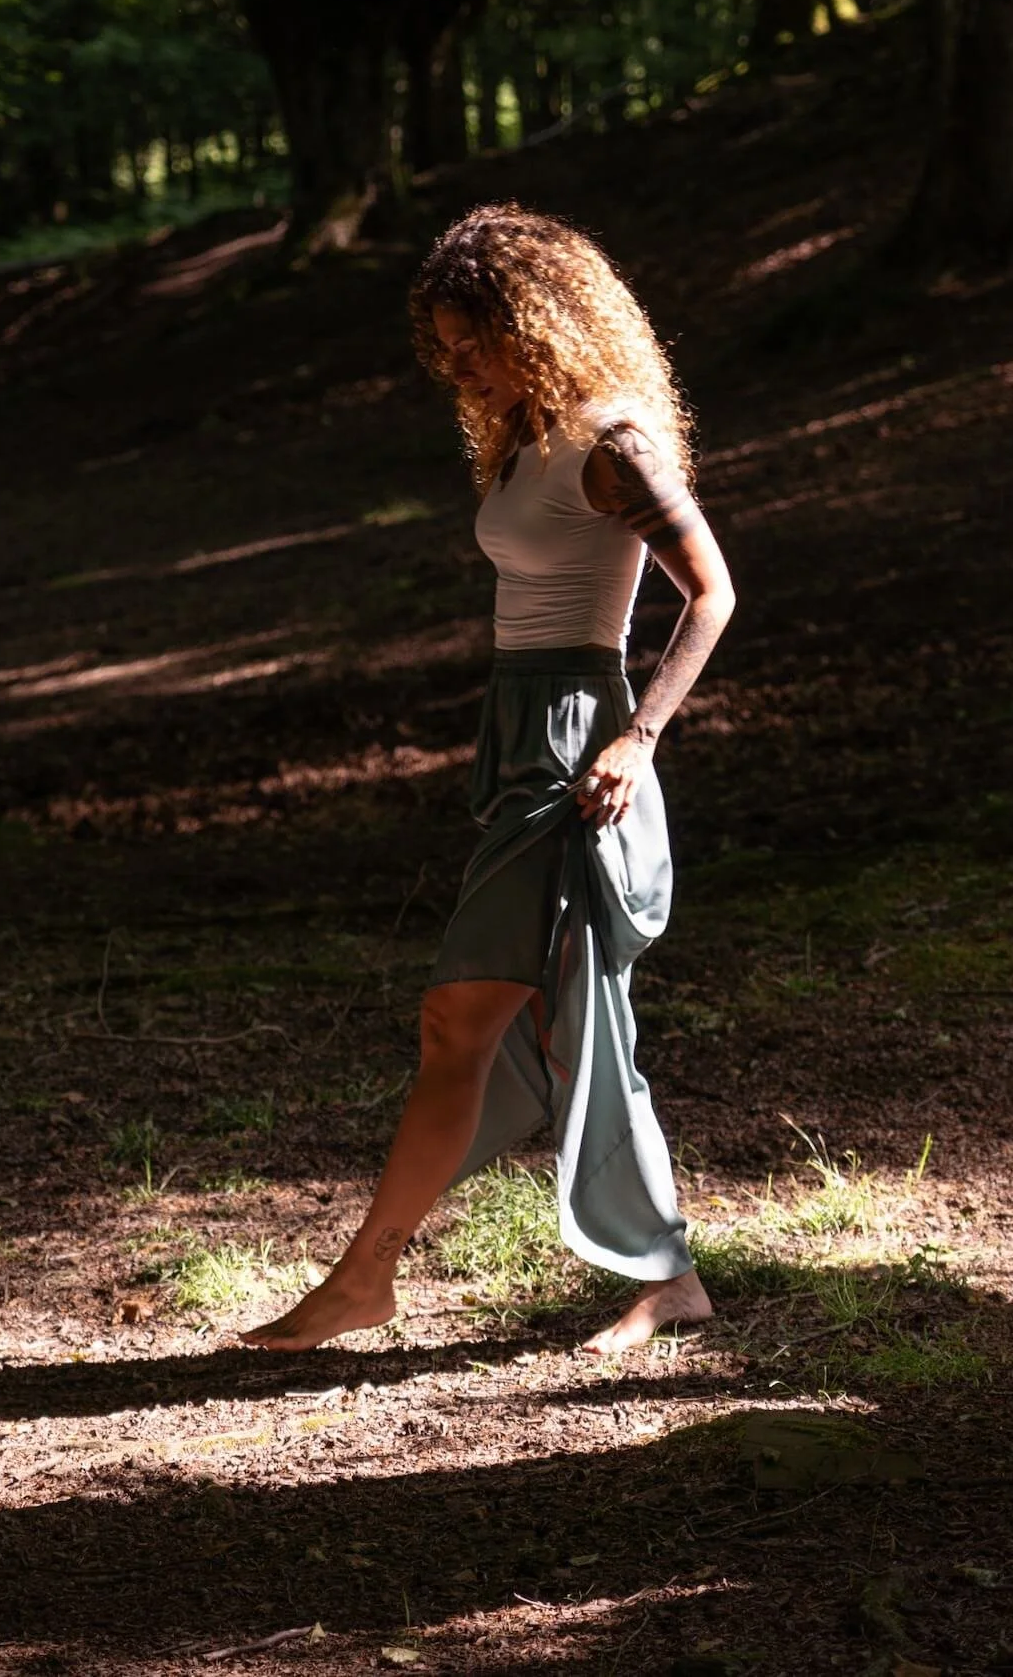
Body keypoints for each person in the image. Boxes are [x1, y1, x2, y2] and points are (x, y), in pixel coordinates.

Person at [245, 201, 736, 1357]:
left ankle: (366, 1276)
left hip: (577, 747)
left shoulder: (616, 440)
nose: (456, 362)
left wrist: (637, 739)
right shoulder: (526, 434)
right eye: (445, 345)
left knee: (460, 1017)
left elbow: (712, 592)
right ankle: (669, 1278)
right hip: (520, 730)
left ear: (543, 319)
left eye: (475, 338)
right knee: (564, 1032)